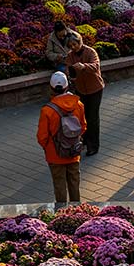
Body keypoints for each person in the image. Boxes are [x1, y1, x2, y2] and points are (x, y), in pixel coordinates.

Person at [37, 71, 86, 204]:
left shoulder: (47, 110)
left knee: (59, 185)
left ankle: (62, 212)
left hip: (55, 155)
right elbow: (83, 126)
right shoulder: (79, 105)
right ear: (67, 86)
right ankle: (77, 211)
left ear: (51, 88)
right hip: (74, 152)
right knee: (74, 183)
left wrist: (49, 148)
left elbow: (42, 136)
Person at [64, 32, 104, 157]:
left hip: (95, 89)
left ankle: (93, 146)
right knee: (82, 117)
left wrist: (83, 66)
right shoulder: (70, 56)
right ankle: (85, 140)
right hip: (80, 89)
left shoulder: (90, 52)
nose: (73, 47)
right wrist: (71, 76)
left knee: (92, 118)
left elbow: (95, 66)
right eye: (70, 46)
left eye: (74, 44)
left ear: (80, 42)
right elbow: (69, 70)